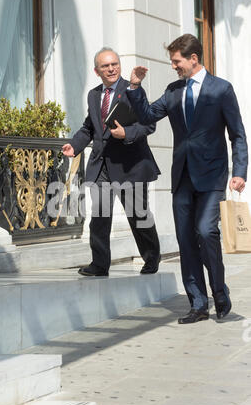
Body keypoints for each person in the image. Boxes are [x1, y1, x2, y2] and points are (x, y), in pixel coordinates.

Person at [126, 34, 248, 324]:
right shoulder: (173, 90)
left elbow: (238, 134)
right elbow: (147, 116)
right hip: (182, 177)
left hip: (212, 175)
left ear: (193, 58)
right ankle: (197, 303)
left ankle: (219, 292)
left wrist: (240, 171)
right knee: (186, 240)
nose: (173, 66)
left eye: (176, 61)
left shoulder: (221, 90)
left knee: (206, 232)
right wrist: (135, 86)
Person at [62, 47, 161, 277]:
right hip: (101, 166)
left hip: (130, 166)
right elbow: (89, 126)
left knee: (138, 215)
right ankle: (99, 265)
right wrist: (74, 146)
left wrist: (125, 133)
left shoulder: (133, 90)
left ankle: (151, 258)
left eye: (114, 64)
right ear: (97, 71)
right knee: (99, 217)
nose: (111, 69)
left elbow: (148, 125)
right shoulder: (94, 95)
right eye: (105, 66)